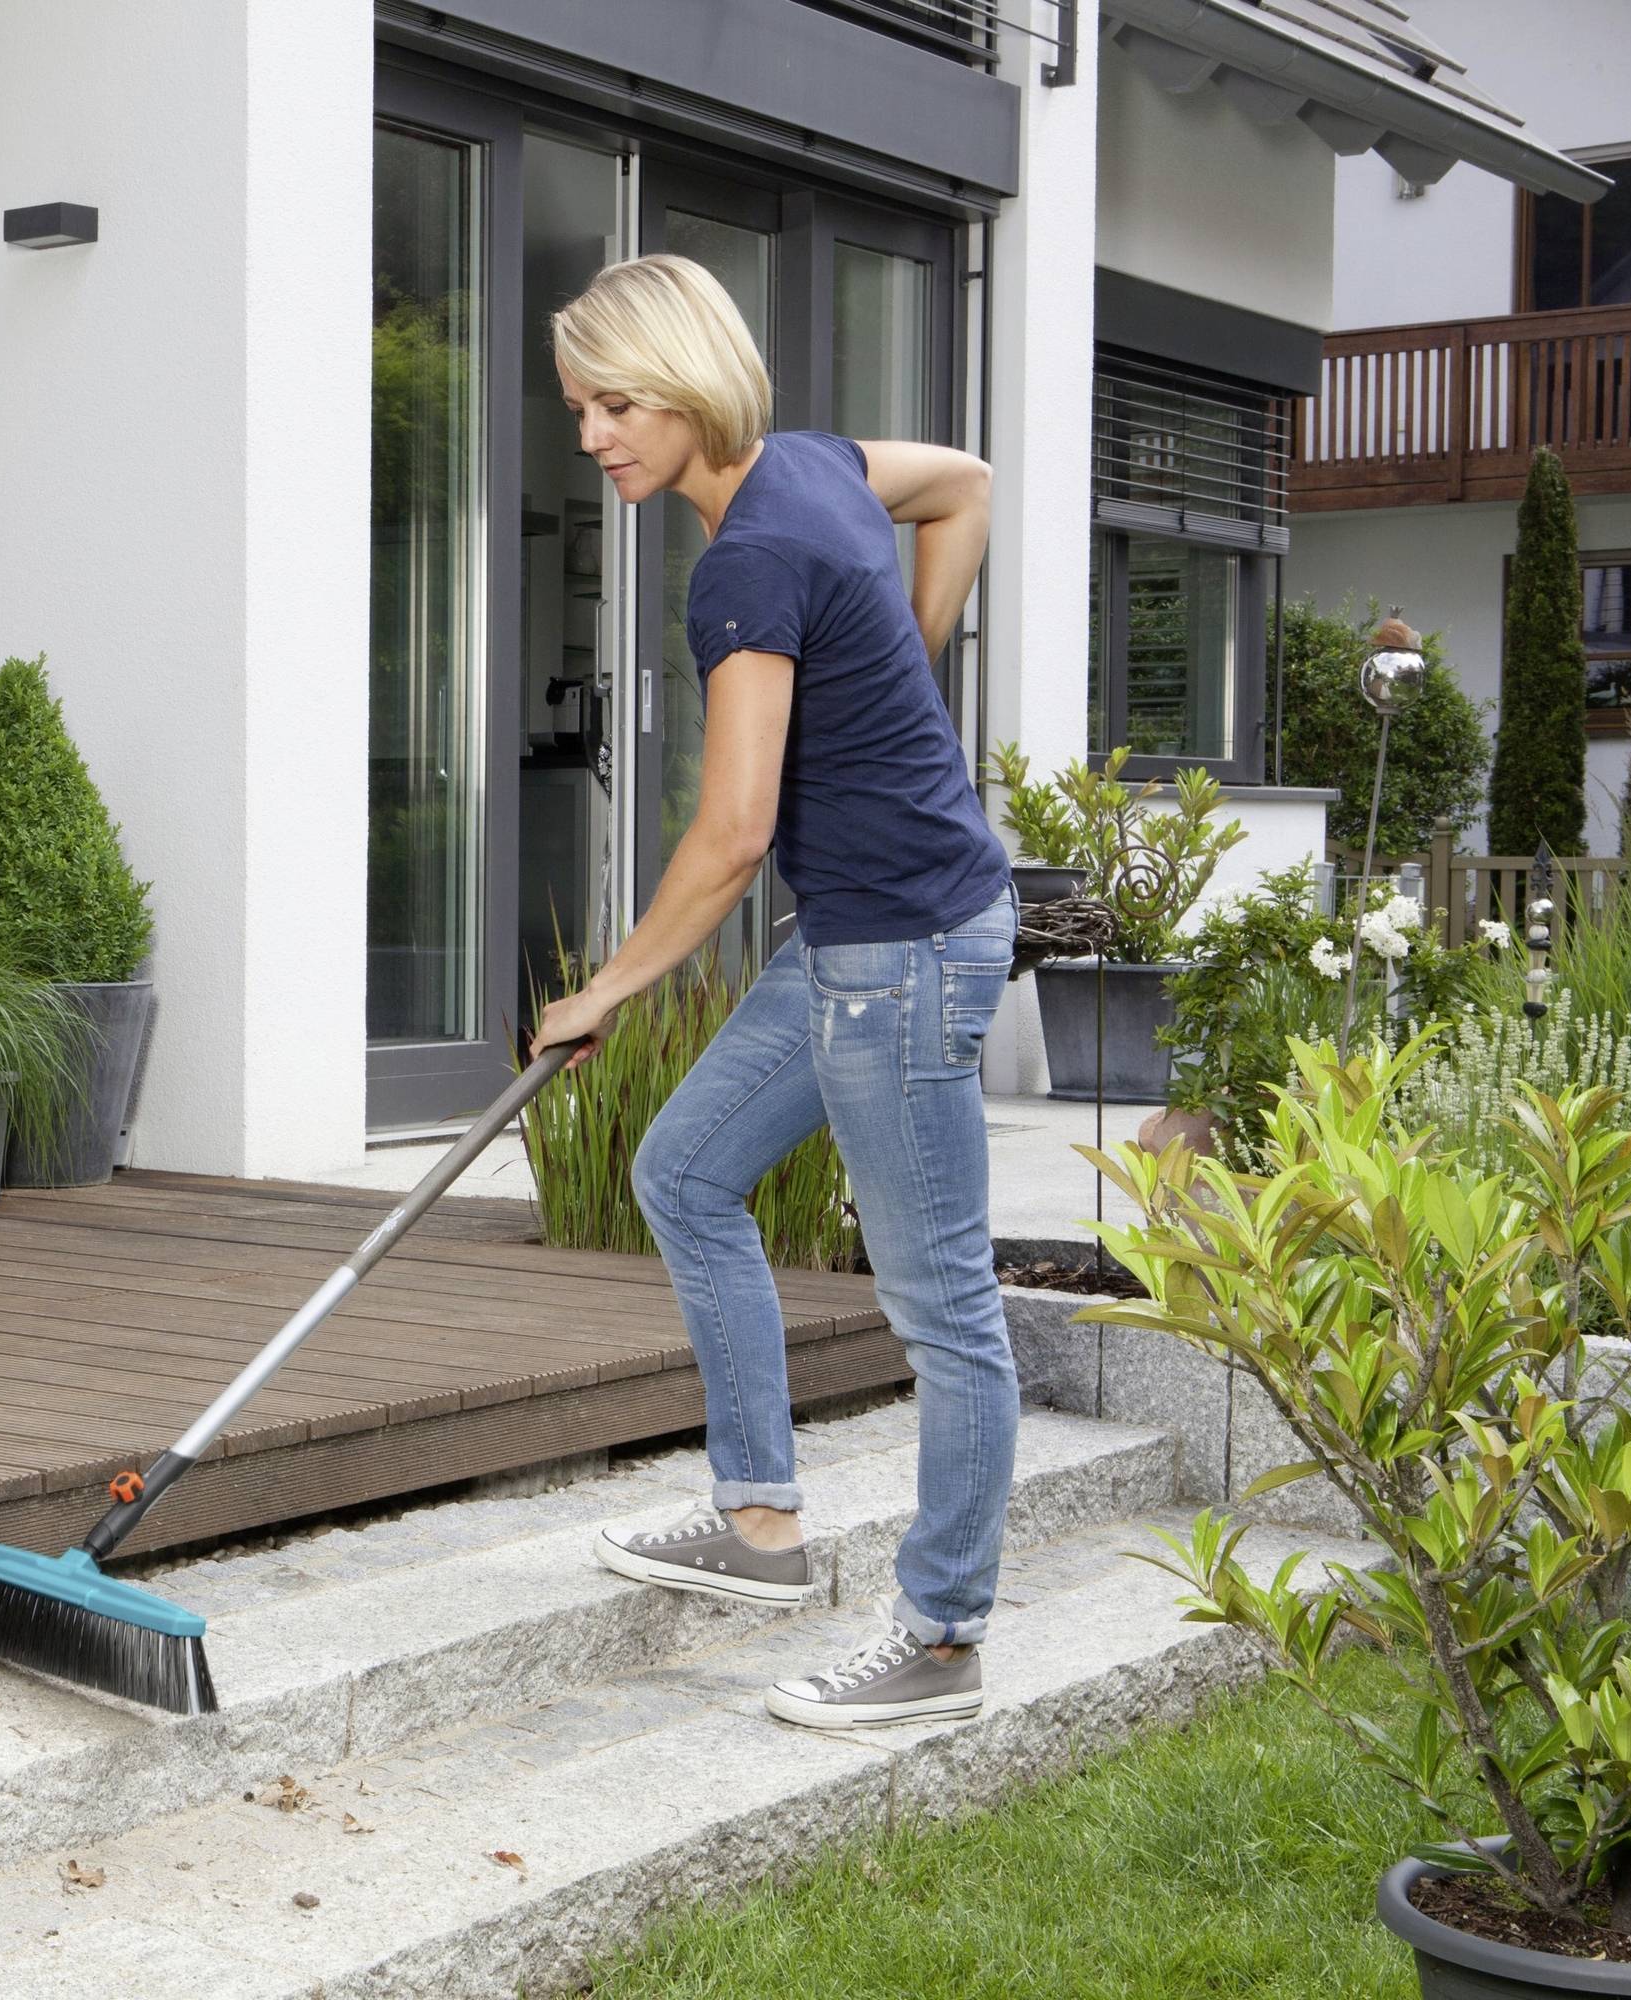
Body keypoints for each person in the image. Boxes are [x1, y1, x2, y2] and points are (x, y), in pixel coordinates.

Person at [528, 254, 1018, 1731]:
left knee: (946, 1319)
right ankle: (762, 1526)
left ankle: (940, 1644)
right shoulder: (819, 469)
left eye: (615, 402)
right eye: (578, 408)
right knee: (684, 1169)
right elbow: (969, 488)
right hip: (871, 936)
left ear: (685, 385)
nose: (594, 434)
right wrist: (905, 669)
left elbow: (733, 836)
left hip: (902, 953)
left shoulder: (743, 563)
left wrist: (602, 988)